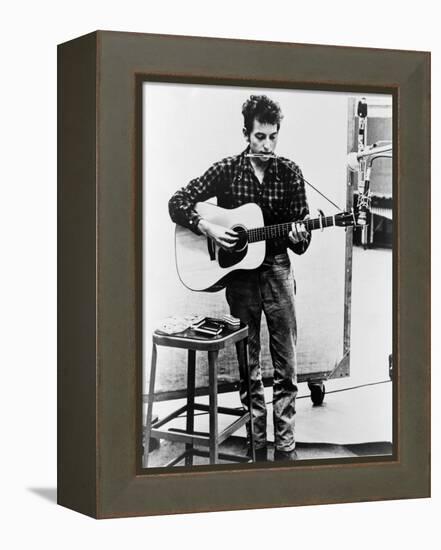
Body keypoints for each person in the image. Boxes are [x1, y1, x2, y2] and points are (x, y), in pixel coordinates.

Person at [168, 95, 311, 461]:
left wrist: (300, 236)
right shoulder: (228, 170)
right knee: (249, 368)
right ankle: (257, 446)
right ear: (246, 133)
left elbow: (303, 237)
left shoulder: (290, 173)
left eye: (273, 137)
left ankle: (287, 448)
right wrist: (208, 229)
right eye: (260, 137)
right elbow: (177, 201)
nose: (266, 146)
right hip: (241, 282)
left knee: (286, 367)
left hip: (277, 272)